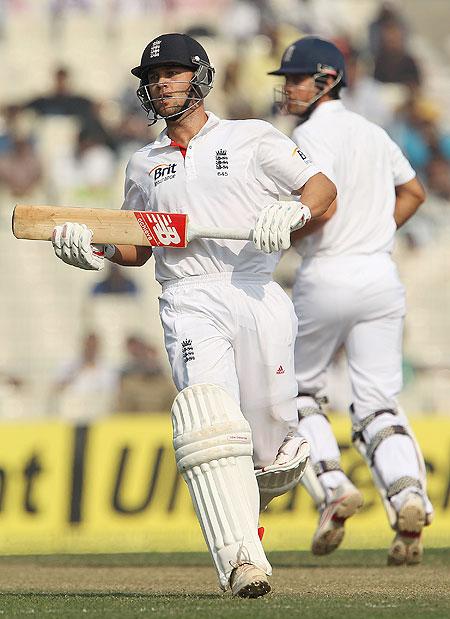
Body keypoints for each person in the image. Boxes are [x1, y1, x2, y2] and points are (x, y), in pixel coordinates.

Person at [49, 33, 336, 597]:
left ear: (200, 77)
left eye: (175, 72)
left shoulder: (250, 137)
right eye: (155, 76)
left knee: (272, 448)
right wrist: (96, 249)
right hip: (187, 295)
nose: (162, 82)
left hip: (255, 288)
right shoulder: (142, 162)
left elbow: (322, 186)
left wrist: (297, 210)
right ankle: (241, 562)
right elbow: (138, 243)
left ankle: (251, 510)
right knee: (209, 420)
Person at [269, 36, 433, 565]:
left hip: (328, 274)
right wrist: (375, 235)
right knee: (379, 403)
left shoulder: (309, 135)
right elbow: (415, 193)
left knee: (296, 395)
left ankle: (333, 486)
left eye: (296, 79)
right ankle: (408, 496)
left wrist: (275, 237)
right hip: (380, 275)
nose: (288, 88)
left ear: (326, 81)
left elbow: (322, 204)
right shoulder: (373, 131)